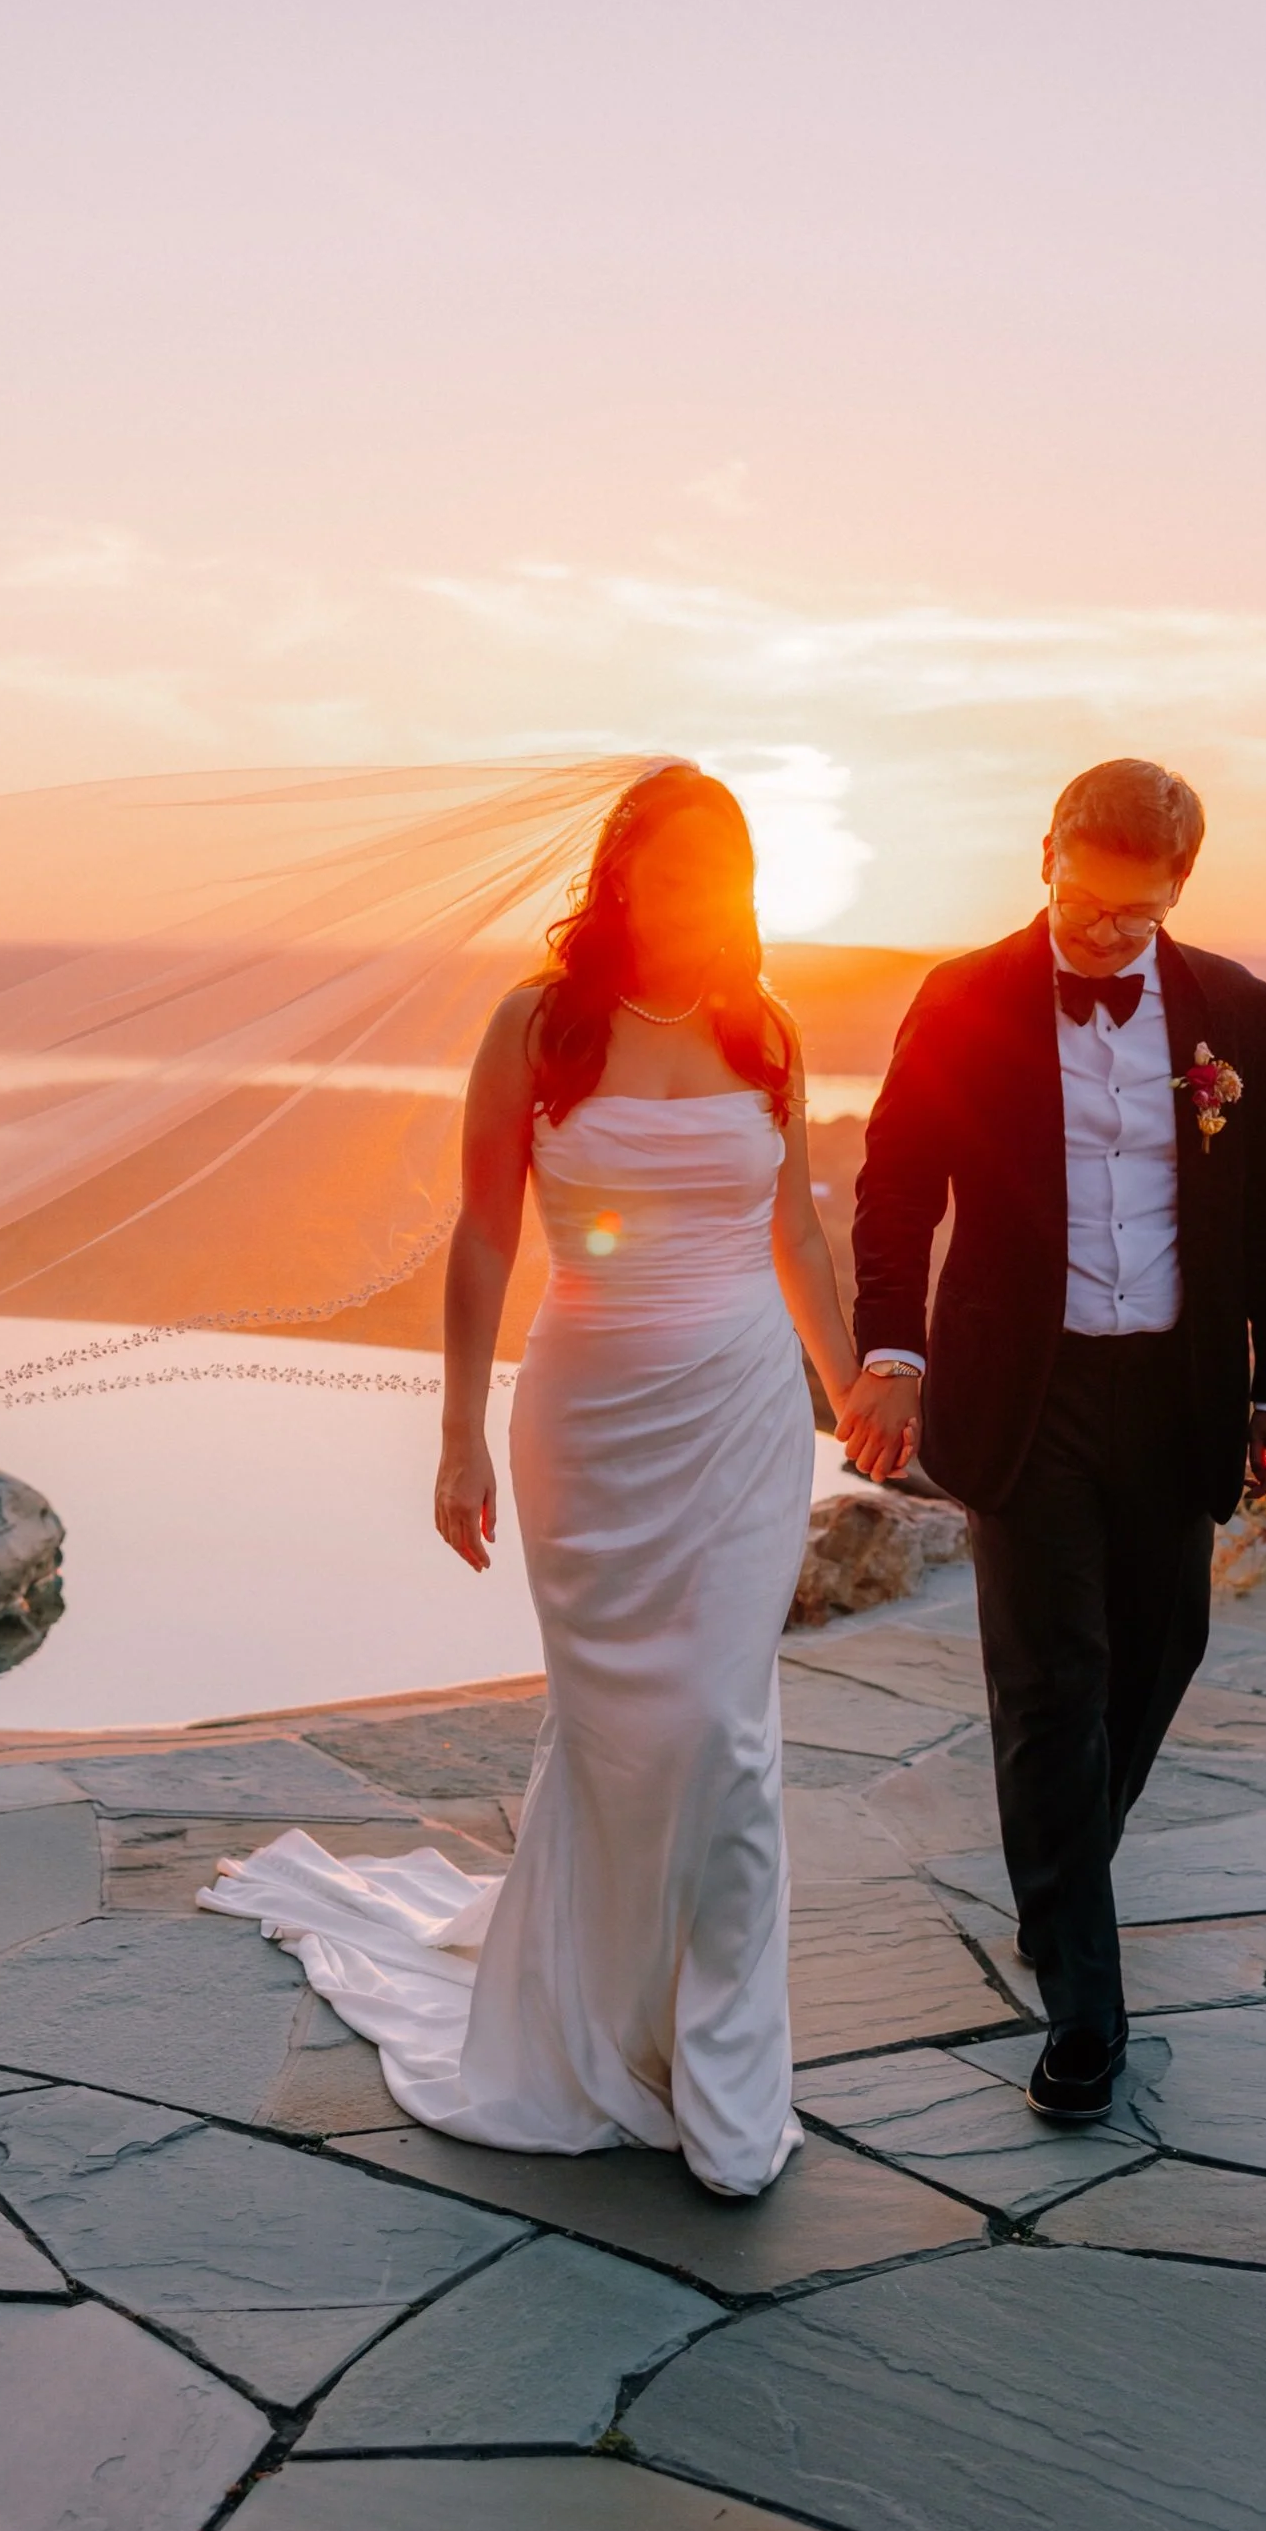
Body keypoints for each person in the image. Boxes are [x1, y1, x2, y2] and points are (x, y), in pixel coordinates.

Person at [204, 762, 858, 2197]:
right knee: (626, 1734)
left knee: (724, 1731)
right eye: (671, 873)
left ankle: (723, 2080)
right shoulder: (538, 1024)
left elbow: (798, 1235)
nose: (697, 900)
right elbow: (488, 1236)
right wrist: (457, 1431)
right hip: (592, 1419)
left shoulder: (767, 1028)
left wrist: (853, 1381)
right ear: (622, 879)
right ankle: (594, 2025)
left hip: (744, 1416)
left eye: (721, 875)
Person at [838, 758, 1266, 2123]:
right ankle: (1086, 2017)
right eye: (1087, 903)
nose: (1108, 934)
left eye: (1137, 914)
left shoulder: (1234, 1007)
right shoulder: (962, 999)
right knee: (1054, 1684)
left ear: (1181, 888)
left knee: (1161, 1653)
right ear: (1046, 853)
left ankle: (1059, 1885)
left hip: (1175, 1388)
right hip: (1023, 1390)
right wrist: (892, 1357)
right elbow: (895, 1189)